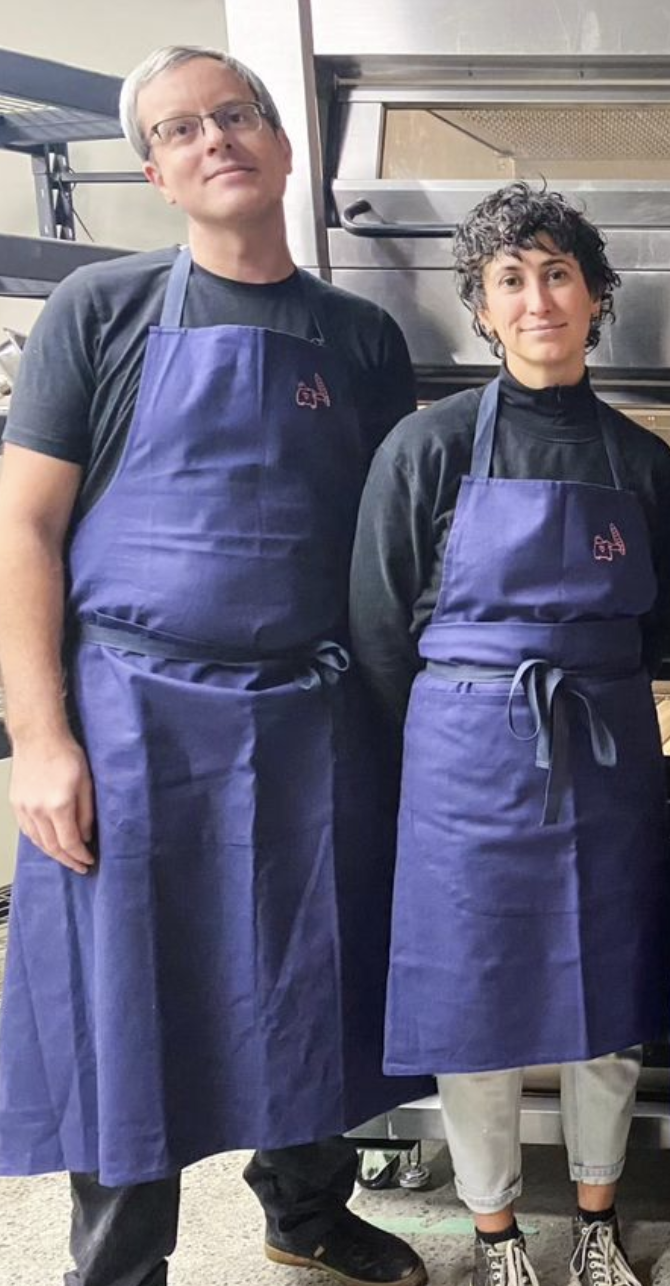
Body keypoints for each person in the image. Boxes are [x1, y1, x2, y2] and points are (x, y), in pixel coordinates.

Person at [0, 44, 426, 1286]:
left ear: (281, 145)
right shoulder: (105, 309)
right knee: (126, 998)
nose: (215, 140)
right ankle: (121, 1259)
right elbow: (22, 527)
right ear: (154, 171)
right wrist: (40, 738)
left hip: (311, 707)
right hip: (134, 713)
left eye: (235, 116)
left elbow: (388, 542)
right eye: (182, 130)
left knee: (310, 970)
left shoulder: (360, 337)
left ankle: (304, 1208)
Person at [349, 181, 670, 1286]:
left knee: (608, 1002)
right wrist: (457, 732)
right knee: (474, 1001)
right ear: (481, 311)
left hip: (603, 750)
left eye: (557, 273)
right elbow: (379, 620)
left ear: (596, 299)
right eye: (509, 278)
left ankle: (595, 1219)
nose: (536, 297)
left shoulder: (644, 463)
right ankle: (496, 1235)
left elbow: (667, 613)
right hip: (462, 761)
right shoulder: (427, 446)